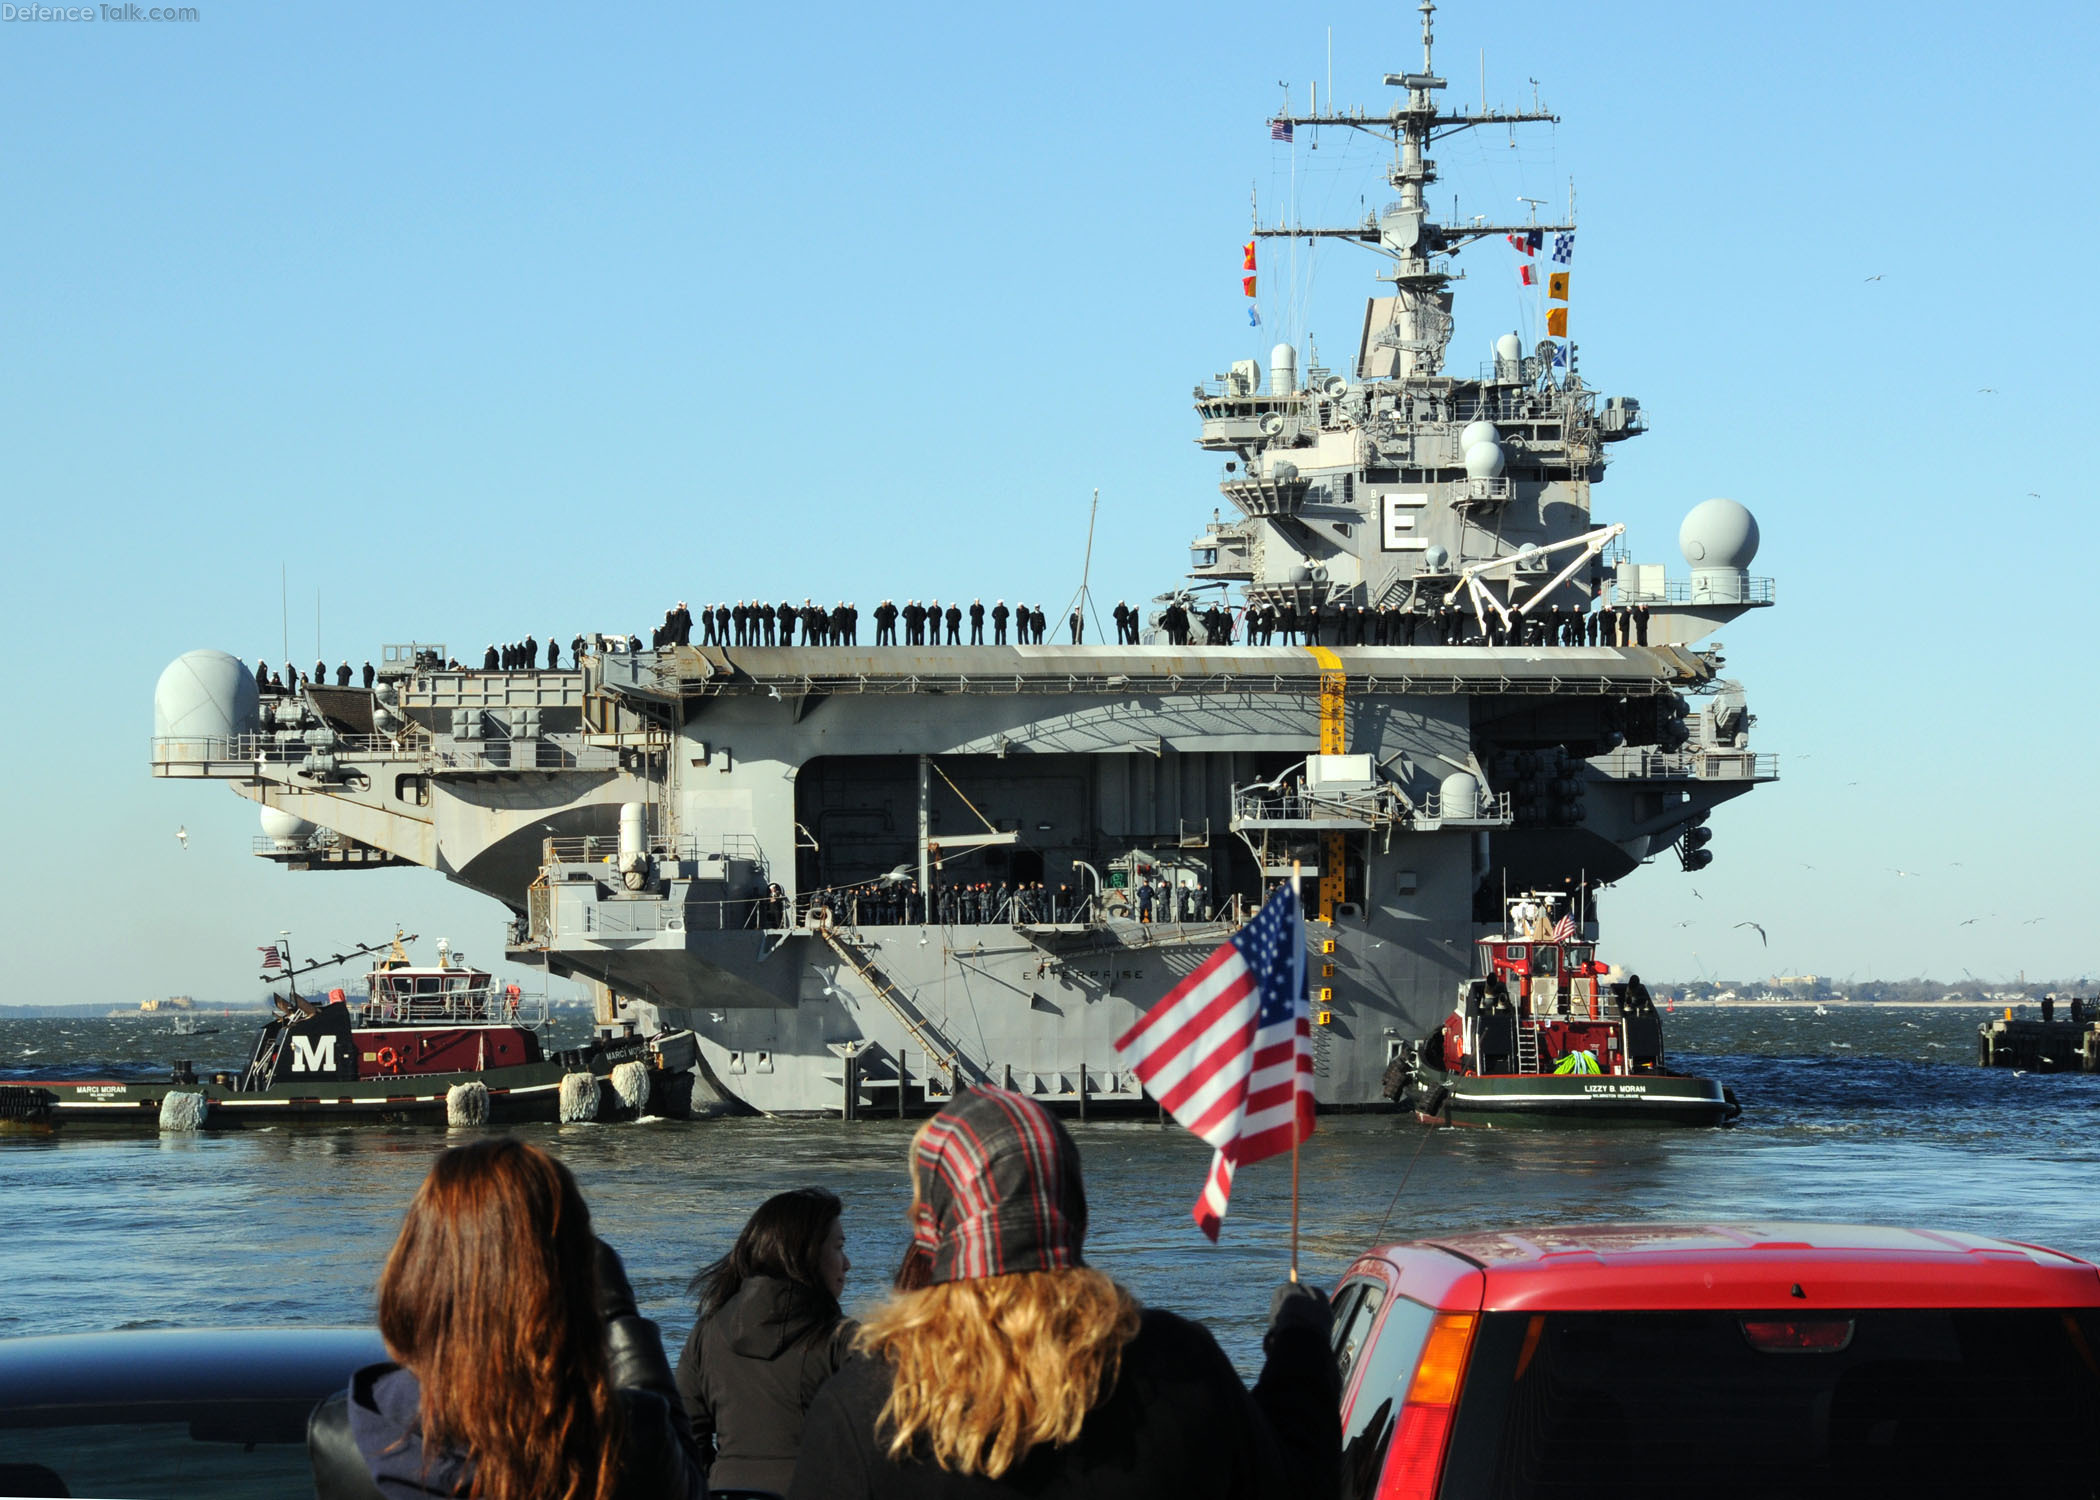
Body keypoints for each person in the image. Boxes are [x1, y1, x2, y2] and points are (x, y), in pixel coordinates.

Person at [786, 1087, 1339, 1500]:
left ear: (930, 1224)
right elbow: (1297, 1485)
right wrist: (1300, 1344)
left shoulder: (863, 1407)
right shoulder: (1179, 1363)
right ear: (1075, 1214)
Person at [309, 1137, 703, 1500]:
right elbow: (692, 1484)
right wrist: (620, 1316)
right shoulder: (626, 1437)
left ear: (415, 1272)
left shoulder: (348, 1429)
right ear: (571, 1283)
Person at [676, 1188, 855, 1497]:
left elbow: (683, 1436)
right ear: (808, 1254)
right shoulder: (844, 1340)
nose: (847, 1263)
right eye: (838, 1247)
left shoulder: (706, 1333)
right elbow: (884, 1442)